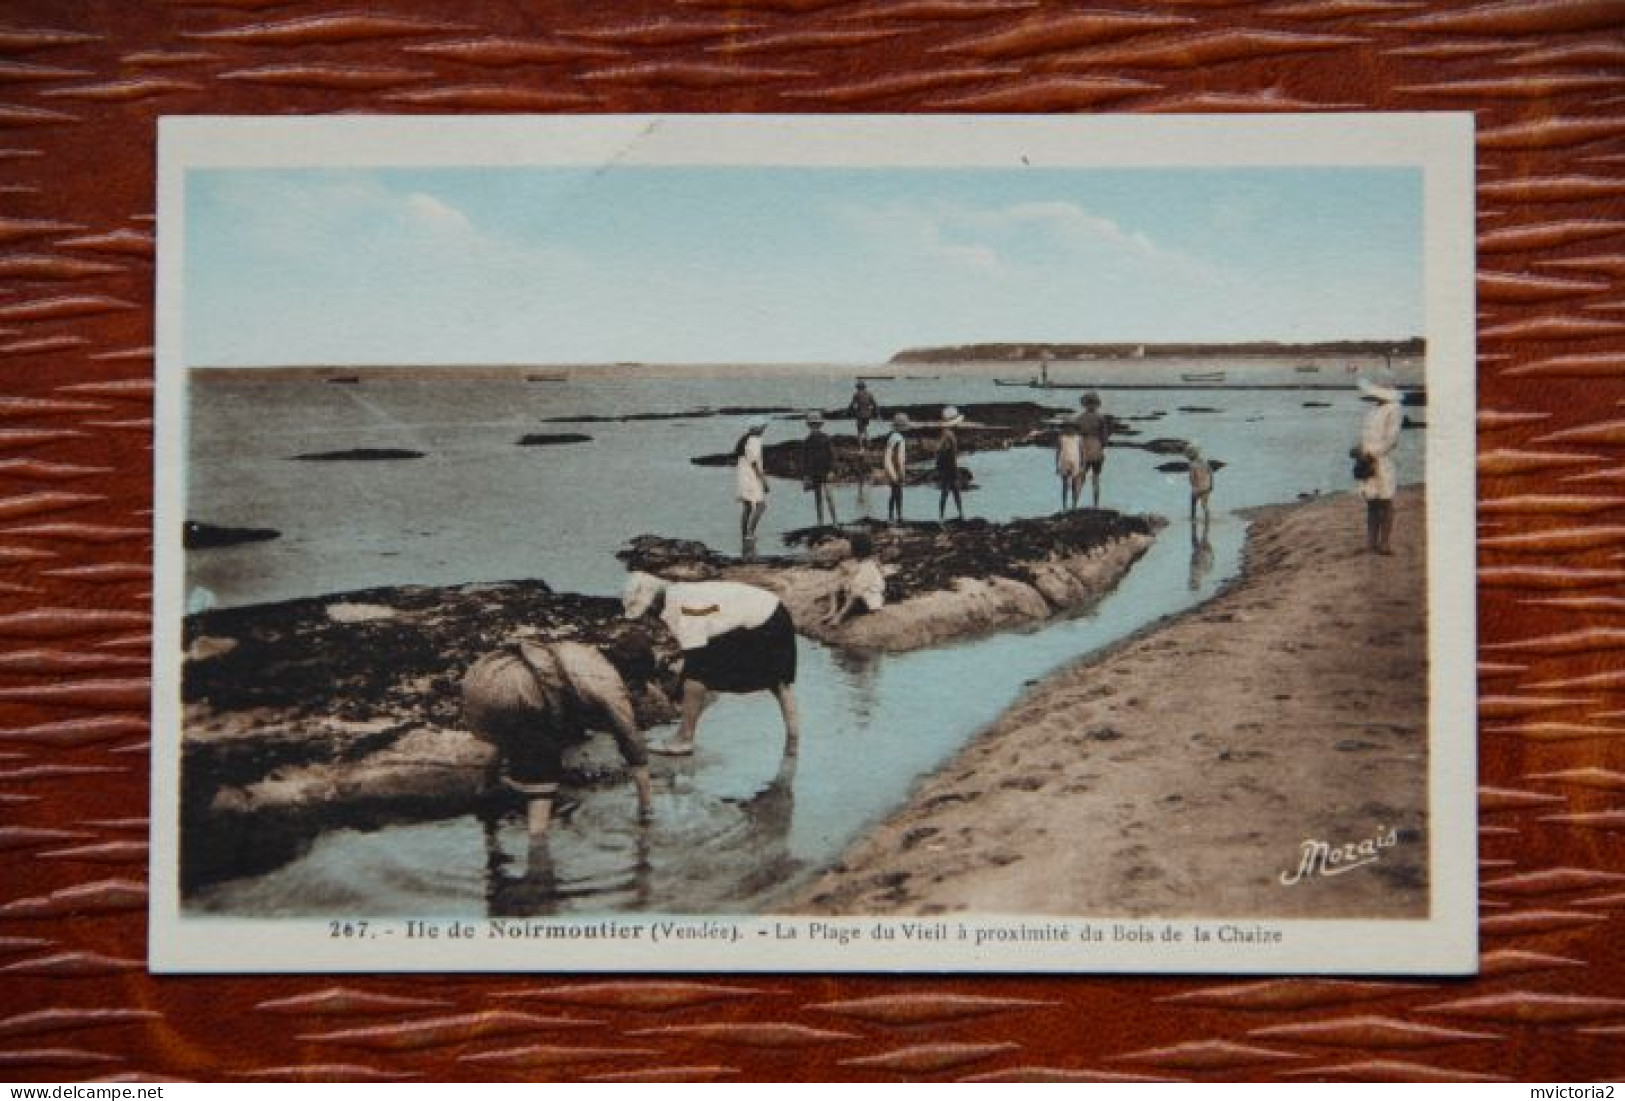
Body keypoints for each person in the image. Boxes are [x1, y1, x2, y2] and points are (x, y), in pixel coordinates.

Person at [462, 638, 654, 840]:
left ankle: (486, 796)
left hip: (481, 677)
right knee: (544, 762)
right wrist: (646, 809)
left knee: (510, 733)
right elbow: (632, 743)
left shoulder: (585, 652)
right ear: (632, 677)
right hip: (514, 691)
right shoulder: (609, 683)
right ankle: (538, 849)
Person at [622, 571, 800, 757]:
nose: (649, 616)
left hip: (763, 624)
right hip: (775, 612)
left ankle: (684, 739)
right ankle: (793, 740)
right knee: (779, 681)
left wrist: (680, 690)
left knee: (696, 677)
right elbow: (712, 620)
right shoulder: (678, 593)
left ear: (654, 600)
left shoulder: (685, 608)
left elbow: (696, 658)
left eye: (648, 610)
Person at [1356, 379, 1403, 554]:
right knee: (1371, 502)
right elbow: (1366, 435)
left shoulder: (1394, 408)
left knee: (1385, 501)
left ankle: (1384, 543)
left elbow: (1392, 439)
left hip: (1383, 461)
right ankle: (1370, 543)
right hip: (1366, 460)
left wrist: (1372, 454)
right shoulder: (1373, 410)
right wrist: (1360, 450)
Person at [822, 530, 887, 627]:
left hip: (868, 598)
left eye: (851, 547)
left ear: (856, 550)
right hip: (861, 589)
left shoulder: (868, 566)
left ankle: (839, 616)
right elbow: (855, 574)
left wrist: (848, 582)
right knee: (833, 586)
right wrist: (845, 577)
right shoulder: (862, 562)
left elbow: (859, 587)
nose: (849, 549)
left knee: (852, 594)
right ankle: (832, 610)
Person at [734, 418, 770, 548]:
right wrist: (764, 481)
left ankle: (744, 536)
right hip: (751, 477)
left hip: (742, 476)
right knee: (761, 506)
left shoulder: (744, 440)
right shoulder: (754, 441)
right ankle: (750, 533)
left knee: (747, 507)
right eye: (762, 427)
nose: (764, 429)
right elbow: (754, 463)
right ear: (756, 428)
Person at [801, 411, 838, 527]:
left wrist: (832, 470)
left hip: (826, 471)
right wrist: (806, 476)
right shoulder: (807, 441)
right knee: (818, 498)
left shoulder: (826, 438)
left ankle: (835, 521)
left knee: (829, 496)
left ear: (820, 425)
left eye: (816, 425)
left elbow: (833, 456)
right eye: (812, 425)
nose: (814, 427)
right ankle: (820, 522)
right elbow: (805, 460)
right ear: (809, 426)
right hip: (814, 472)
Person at [1075, 391, 1109, 508]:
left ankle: (1075, 504)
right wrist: (1102, 448)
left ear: (1084, 404)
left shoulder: (1079, 419)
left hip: (1083, 449)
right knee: (1096, 478)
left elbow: (1076, 437)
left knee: (1081, 477)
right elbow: (1104, 439)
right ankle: (1096, 505)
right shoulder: (1100, 418)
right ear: (1096, 404)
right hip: (1096, 449)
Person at [935, 406, 965, 523]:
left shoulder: (946, 434)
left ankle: (947, 516)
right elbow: (945, 452)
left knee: (950, 492)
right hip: (949, 468)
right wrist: (952, 468)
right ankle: (950, 516)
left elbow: (940, 451)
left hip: (947, 468)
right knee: (951, 492)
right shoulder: (949, 435)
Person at [883, 412, 909, 524]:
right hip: (895, 468)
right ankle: (899, 516)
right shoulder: (900, 439)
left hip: (888, 466)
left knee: (893, 493)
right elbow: (899, 458)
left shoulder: (892, 436)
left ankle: (890, 516)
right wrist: (901, 472)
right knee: (898, 494)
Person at [1056, 419, 1083, 511]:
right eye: (1067, 427)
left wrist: (1082, 465)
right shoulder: (1062, 438)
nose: (1069, 429)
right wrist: (1057, 465)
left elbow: (1082, 452)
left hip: (1075, 462)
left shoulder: (1078, 438)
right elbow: (1058, 451)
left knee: (1075, 485)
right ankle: (1064, 505)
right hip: (1064, 462)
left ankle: (1074, 505)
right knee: (1064, 485)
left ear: (1074, 428)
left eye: (1071, 427)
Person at [1186, 443, 1214, 524]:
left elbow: (1192, 477)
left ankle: (1193, 519)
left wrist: (1193, 486)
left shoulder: (1192, 465)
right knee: (1204, 505)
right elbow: (1211, 473)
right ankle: (1207, 519)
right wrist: (1212, 485)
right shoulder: (1205, 462)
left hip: (1198, 487)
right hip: (1207, 486)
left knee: (1193, 502)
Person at [848, 380, 879, 450]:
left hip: (860, 415)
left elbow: (853, 405)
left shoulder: (856, 395)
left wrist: (848, 412)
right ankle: (868, 443)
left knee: (859, 431)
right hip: (868, 415)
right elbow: (874, 404)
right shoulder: (869, 394)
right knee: (864, 429)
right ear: (864, 387)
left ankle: (861, 446)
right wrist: (876, 413)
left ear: (858, 387)